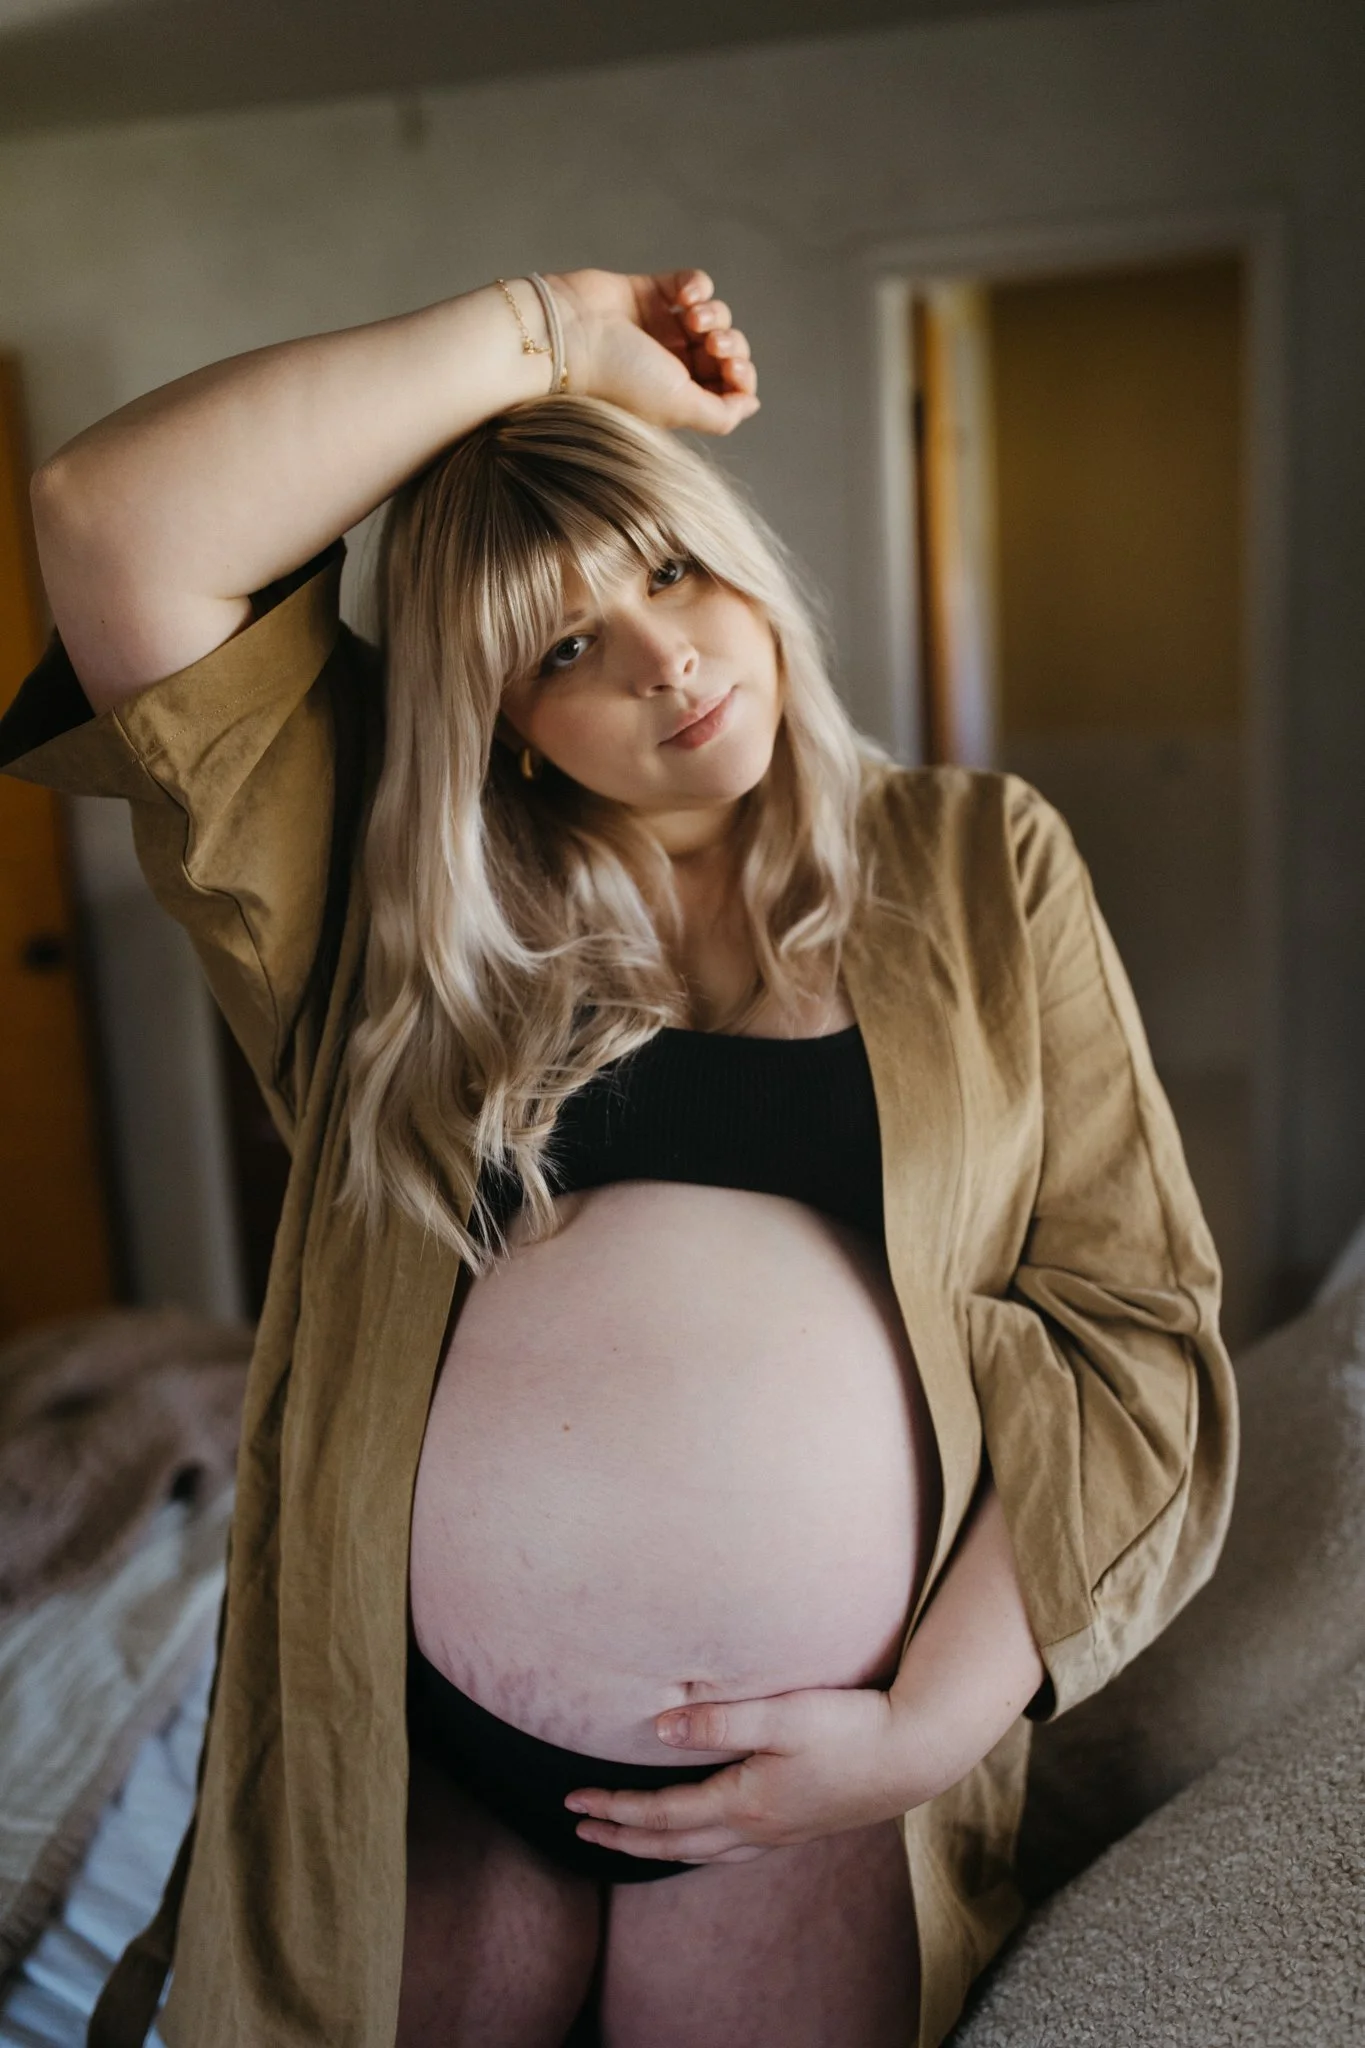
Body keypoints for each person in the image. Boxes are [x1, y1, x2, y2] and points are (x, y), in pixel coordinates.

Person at [0, 267, 1238, 2048]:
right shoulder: (393, 895)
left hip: (811, 1778)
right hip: (423, 1764)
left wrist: (918, 1736)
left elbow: (1131, 1334)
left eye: (672, 570)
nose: (664, 660)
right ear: (499, 717)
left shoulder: (980, 861)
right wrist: (547, 333)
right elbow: (106, 523)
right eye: (561, 647)